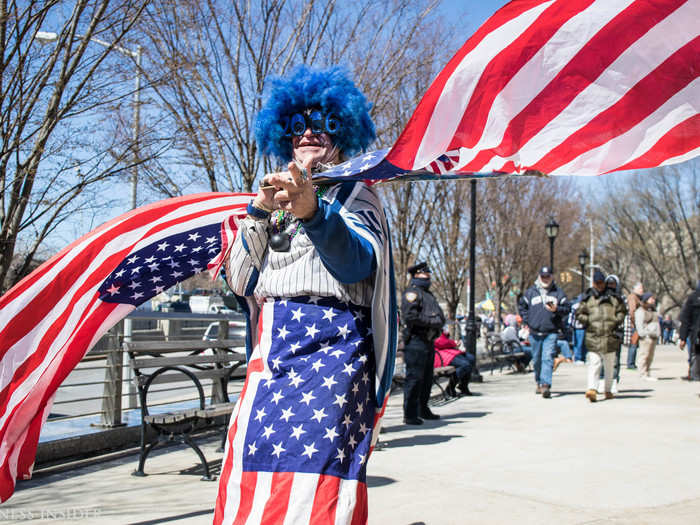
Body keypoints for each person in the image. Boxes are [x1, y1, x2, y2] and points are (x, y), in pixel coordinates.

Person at [215, 65, 395, 524]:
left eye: (322, 124)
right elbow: (239, 279)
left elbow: (356, 263)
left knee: (321, 484)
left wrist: (314, 212)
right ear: (284, 135)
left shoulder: (357, 195)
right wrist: (257, 212)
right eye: (297, 127)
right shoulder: (269, 201)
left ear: (342, 131)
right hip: (272, 353)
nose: (309, 134)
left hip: (336, 353)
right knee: (247, 467)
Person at [401, 262, 445, 424]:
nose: (428, 278)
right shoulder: (412, 293)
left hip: (428, 341)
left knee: (427, 378)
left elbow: (439, 316)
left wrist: (437, 321)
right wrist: (432, 321)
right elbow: (410, 317)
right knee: (414, 378)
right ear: (416, 276)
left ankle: (423, 408)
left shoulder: (428, 295)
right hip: (416, 341)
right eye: (424, 275)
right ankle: (410, 413)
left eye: (428, 275)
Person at [518, 266, 570, 398]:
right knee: (537, 360)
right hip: (534, 332)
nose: (545, 279)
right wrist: (527, 321)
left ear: (552, 276)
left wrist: (557, 309)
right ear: (539, 277)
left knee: (547, 358)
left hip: (551, 332)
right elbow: (522, 306)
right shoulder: (531, 292)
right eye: (543, 276)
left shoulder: (558, 293)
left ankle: (546, 385)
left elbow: (567, 309)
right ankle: (539, 382)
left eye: (548, 276)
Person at [576, 270, 626, 402]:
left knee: (610, 364)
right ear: (593, 283)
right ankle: (592, 389)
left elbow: (622, 311)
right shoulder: (588, 297)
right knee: (595, 362)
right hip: (594, 335)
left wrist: (616, 320)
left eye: (601, 283)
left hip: (610, 334)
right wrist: (588, 321)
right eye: (597, 283)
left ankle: (607, 389)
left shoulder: (613, 298)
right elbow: (579, 313)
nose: (599, 285)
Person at [597, 274, 626, 394]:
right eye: (608, 284)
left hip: (616, 332)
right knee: (601, 359)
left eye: (613, 284)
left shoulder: (621, 298)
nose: (610, 287)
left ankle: (613, 381)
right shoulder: (600, 297)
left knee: (615, 360)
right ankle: (602, 381)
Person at [433, 329, 475, 396]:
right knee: (465, 365)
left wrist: (451, 341)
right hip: (439, 355)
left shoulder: (438, 326)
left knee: (471, 358)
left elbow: (443, 339)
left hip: (448, 352)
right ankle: (450, 388)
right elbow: (438, 342)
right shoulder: (431, 327)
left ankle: (463, 386)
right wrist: (454, 343)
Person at [636, 292, 660, 380]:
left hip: (653, 336)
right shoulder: (641, 310)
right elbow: (639, 325)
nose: (653, 300)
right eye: (651, 298)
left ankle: (647, 372)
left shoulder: (653, 310)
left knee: (650, 356)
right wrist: (644, 334)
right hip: (646, 337)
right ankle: (642, 373)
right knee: (644, 355)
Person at [679, 281, 700, 381]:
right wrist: (683, 337)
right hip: (695, 332)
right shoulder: (693, 298)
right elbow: (686, 318)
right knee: (695, 354)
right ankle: (693, 374)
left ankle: (694, 374)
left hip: (695, 332)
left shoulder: (692, 297)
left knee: (694, 354)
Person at [626, 282, 644, 369]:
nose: (642, 290)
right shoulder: (633, 297)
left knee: (635, 344)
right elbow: (632, 311)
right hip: (634, 324)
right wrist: (636, 323)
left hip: (637, 323)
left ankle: (632, 362)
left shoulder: (637, 298)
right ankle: (630, 363)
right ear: (635, 289)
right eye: (641, 289)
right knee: (633, 343)